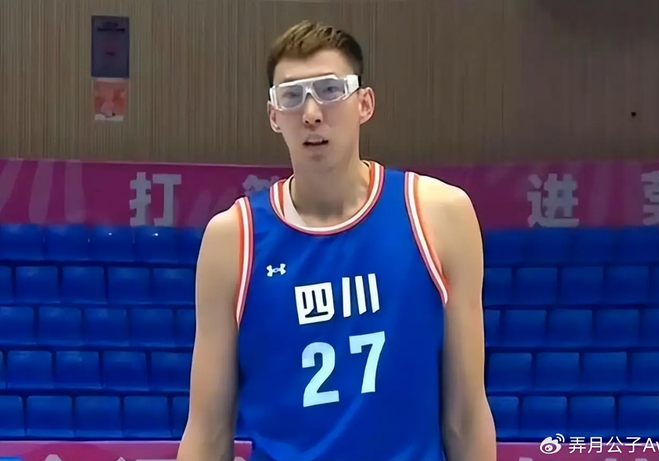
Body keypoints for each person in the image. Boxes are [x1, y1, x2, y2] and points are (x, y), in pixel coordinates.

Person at [177, 20, 496, 461]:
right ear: (274, 116)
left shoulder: (439, 215)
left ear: (364, 103)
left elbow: (466, 416)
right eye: (291, 96)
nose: (311, 113)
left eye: (329, 90)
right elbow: (208, 432)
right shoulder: (233, 240)